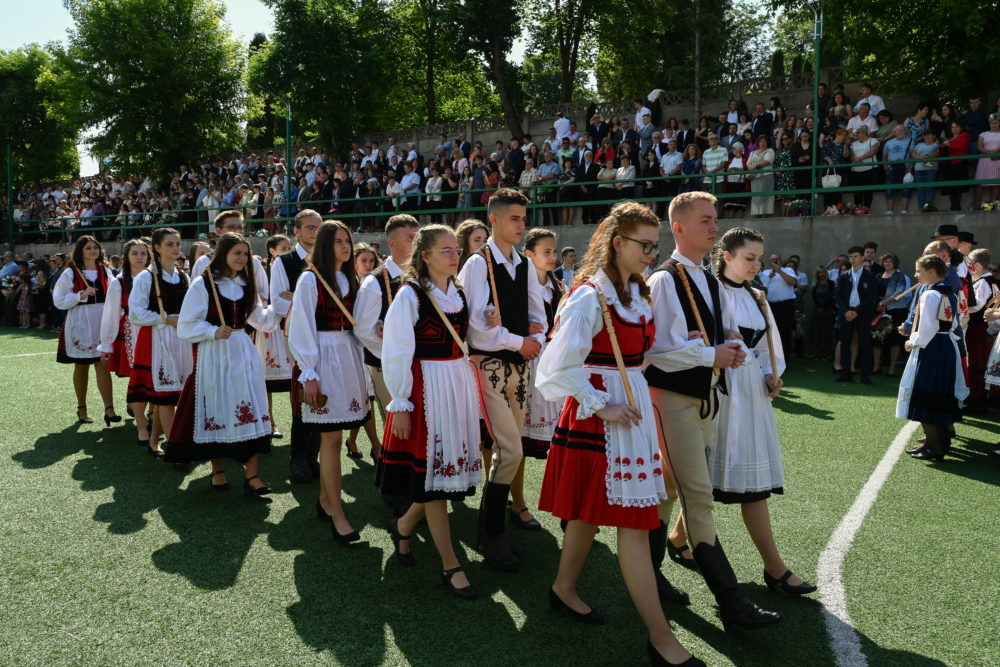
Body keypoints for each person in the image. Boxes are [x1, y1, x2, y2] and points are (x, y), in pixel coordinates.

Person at [536, 202, 703, 666]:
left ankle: (563, 587)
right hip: (603, 418)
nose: (652, 253)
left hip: (631, 412)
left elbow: (645, 356)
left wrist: (701, 353)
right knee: (635, 521)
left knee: (593, 513)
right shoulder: (591, 296)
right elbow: (551, 372)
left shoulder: (638, 292)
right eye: (644, 245)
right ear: (617, 243)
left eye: (655, 245)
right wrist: (601, 404)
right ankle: (661, 638)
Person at [645, 191, 782, 632]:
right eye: (705, 220)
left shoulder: (705, 279)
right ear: (678, 228)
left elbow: (718, 335)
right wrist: (710, 355)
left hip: (704, 399)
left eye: (714, 219)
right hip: (674, 400)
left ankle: (650, 573)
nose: (713, 226)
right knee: (698, 497)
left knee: (668, 488)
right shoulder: (665, 279)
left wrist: (732, 350)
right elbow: (657, 351)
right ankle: (732, 603)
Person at [671, 227, 815, 597]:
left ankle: (677, 536)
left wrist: (771, 374)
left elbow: (768, 346)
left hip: (750, 394)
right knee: (709, 473)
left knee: (735, 478)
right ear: (727, 256)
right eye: (749, 258)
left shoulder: (758, 296)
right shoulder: (709, 290)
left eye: (759, 259)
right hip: (720, 390)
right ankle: (775, 568)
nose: (756, 265)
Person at [377, 224, 483, 598]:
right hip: (427, 391)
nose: (455, 256)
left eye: (456, 250)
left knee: (439, 479)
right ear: (425, 257)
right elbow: (396, 352)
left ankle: (404, 526)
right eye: (447, 251)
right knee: (434, 483)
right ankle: (450, 563)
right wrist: (401, 402)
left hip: (456, 386)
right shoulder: (409, 296)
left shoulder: (457, 291)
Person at [457, 188, 546, 572]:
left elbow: (539, 315)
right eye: (514, 218)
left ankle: (491, 527)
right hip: (489, 366)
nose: (521, 224)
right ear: (493, 219)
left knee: (508, 451)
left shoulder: (524, 264)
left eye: (524, 218)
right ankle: (488, 532)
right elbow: (477, 330)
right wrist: (520, 339)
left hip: (518, 367)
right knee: (510, 450)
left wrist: (533, 339)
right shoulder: (478, 264)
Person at [164, 233, 276, 497]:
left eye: (245, 254)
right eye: (237, 253)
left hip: (243, 351)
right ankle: (218, 471)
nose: (242, 258)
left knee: (250, 405)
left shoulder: (246, 284)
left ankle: (253, 476)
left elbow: (258, 318)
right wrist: (213, 331)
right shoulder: (203, 284)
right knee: (216, 407)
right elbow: (186, 325)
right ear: (223, 253)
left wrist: (279, 309)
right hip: (214, 354)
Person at [288, 220, 371, 543]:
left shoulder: (352, 278)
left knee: (337, 434)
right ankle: (337, 512)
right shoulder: (310, 279)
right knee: (331, 439)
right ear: (325, 245)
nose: (345, 246)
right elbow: (300, 328)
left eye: (347, 240)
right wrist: (309, 373)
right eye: (337, 241)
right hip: (322, 359)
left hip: (348, 357)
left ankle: (326, 500)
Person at [506, 229, 565, 532]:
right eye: (546, 251)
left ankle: (565, 506)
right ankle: (517, 502)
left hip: (551, 367)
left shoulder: (558, 288)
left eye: (554, 251)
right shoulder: (518, 286)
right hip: (527, 364)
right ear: (529, 254)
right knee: (517, 439)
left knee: (557, 440)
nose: (553, 257)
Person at [354, 215, 419, 466]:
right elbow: (364, 330)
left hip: (420, 363)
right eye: (409, 238)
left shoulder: (420, 275)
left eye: (417, 236)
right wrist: (396, 349)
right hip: (386, 364)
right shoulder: (375, 281)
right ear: (391, 242)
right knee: (397, 421)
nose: (416, 242)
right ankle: (396, 486)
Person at [127, 228, 193, 457]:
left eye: (177, 243)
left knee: (175, 394)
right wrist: (165, 319)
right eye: (170, 244)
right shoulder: (147, 276)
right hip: (158, 338)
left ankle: (155, 439)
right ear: (157, 248)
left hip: (182, 339)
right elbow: (135, 313)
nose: (176, 248)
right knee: (165, 397)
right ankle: (176, 446)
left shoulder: (184, 275)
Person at [897, 254, 968, 460]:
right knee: (938, 395)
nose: (916, 274)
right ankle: (934, 443)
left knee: (926, 395)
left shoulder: (929, 295)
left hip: (932, 348)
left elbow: (928, 328)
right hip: (945, 347)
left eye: (919, 270)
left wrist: (913, 341)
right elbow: (953, 324)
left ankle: (935, 448)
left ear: (931, 271)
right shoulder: (948, 292)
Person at [271, 209, 322, 483]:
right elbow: (278, 301)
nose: (315, 232)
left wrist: (298, 299)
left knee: (323, 392)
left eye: (318, 227)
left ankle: (313, 454)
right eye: (310, 227)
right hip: (298, 336)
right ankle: (299, 458)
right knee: (304, 392)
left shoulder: (327, 259)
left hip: (326, 335)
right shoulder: (285, 261)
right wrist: (305, 303)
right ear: (297, 231)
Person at [52, 236, 120, 427]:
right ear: (80, 251)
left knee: (103, 365)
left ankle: (109, 408)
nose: (92, 251)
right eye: (88, 248)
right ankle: (82, 407)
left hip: (102, 321)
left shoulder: (106, 271)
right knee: (81, 366)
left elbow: (116, 294)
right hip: (81, 322)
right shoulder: (71, 273)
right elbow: (58, 300)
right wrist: (81, 294)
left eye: (95, 247)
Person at [98, 239, 149, 440]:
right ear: (127, 257)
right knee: (138, 374)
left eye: (143, 253)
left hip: (155, 330)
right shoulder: (119, 283)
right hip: (130, 330)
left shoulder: (155, 278)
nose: (139, 257)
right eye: (134, 253)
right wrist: (106, 344)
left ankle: (152, 414)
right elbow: (110, 314)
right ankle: (141, 421)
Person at [345, 242, 384, 459]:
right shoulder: (349, 285)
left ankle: (355, 441)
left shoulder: (376, 283)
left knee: (367, 397)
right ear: (354, 262)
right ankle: (376, 445)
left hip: (370, 347)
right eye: (363, 260)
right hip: (353, 346)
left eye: (371, 261)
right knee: (364, 398)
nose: (368, 265)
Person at [256, 234, 293, 439]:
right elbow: (262, 295)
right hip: (267, 327)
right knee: (266, 379)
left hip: (287, 325)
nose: (288, 250)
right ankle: (270, 422)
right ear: (272, 250)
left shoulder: (293, 267)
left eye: (289, 247)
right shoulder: (263, 269)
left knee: (293, 378)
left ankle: (299, 419)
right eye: (283, 247)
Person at [834, 246, 877, 384]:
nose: (853, 259)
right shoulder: (843, 275)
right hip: (846, 313)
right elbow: (838, 296)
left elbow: (871, 298)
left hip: (862, 314)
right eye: (851, 256)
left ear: (862, 258)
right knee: (845, 343)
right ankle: (846, 373)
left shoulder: (870, 276)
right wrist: (845, 311)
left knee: (865, 343)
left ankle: (865, 375)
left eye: (856, 256)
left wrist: (857, 311)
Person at [964, 248, 998, 411]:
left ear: (976, 266)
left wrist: (959, 305)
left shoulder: (984, 282)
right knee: (979, 362)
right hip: (983, 328)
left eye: (969, 265)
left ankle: (976, 399)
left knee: (976, 363)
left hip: (977, 328)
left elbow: (976, 306)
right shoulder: (991, 281)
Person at [874, 254, 912, 377]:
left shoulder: (899, 276)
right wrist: (877, 304)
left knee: (895, 340)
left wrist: (883, 302)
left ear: (895, 263)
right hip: (880, 311)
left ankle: (891, 369)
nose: (887, 264)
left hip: (897, 311)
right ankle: (876, 367)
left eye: (890, 262)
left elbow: (899, 292)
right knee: (877, 338)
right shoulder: (878, 276)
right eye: (885, 261)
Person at [759, 253, 797, 359]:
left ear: (781, 260)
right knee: (770, 333)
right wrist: (770, 276)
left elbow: (793, 282)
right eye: (772, 260)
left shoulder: (788, 270)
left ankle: (785, 358)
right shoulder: (766, 272)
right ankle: (771, 358)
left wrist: (779, 271)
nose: (774, 262)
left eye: (776, 259)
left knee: (785, 333)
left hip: (785, 306)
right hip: (770, 306)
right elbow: (761, 287)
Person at [973, 113, 1000, 209]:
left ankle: (994, 206)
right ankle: (975, 207)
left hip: (997, 160)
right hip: (984, 160)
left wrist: (997, 153)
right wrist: (990, 154)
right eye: (992, 123)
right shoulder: (983, 134)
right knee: (980, 184)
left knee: (996, 184)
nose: (993, 125)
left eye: (996, 123)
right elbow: (979, 147)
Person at [848, 126, 879, 210]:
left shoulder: (873, 140)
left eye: (858, 132)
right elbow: (850, 154)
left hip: (869, 169)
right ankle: (857, 208)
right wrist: (854, 158)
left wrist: (860, 158)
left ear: (864, 133)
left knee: (867, 190)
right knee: (857, 190)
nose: (856, 134)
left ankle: (866, 208)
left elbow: (873, 151)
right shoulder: (854, 143)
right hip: (856, 169)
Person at [810, 265, 837, 360]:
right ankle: (817, 353)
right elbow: (814, 298)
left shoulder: (831, 283)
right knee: (817, 332)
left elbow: (832, 297)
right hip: (817, 311)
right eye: (819, 272)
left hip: (828, 311)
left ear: (826, 273)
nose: (821, 274)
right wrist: (819, 306)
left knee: (827, 332)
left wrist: (825, 306)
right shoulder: (815, 284)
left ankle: (826, 354)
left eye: (823, 272)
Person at [911, 129, 941, 210]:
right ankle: (921, 207)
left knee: (930, 188)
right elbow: (913, 154)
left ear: (934, 136)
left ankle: (929, 207)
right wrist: (921, 157)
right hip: (918, 170)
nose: (927, 136)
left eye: (930, 135)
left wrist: (927, 156)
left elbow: (938, 153)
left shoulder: (936, 144)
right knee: (920, 189)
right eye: (925, 135)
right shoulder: (919, 144)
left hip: (931, 169)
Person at [747, 136, 775, 217]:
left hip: (766, 176)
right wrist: (751, 166)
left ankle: (765, 215)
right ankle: (757, 214)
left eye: (764, 141)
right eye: (760, 141)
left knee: (765, 195)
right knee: (756, 197)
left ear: (767, 142)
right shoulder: (752, 153)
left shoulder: (770, 151)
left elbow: (768, 161)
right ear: (758, 143)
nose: (762, 143)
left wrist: (755, 164)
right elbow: (748, 164)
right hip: (755, 178)